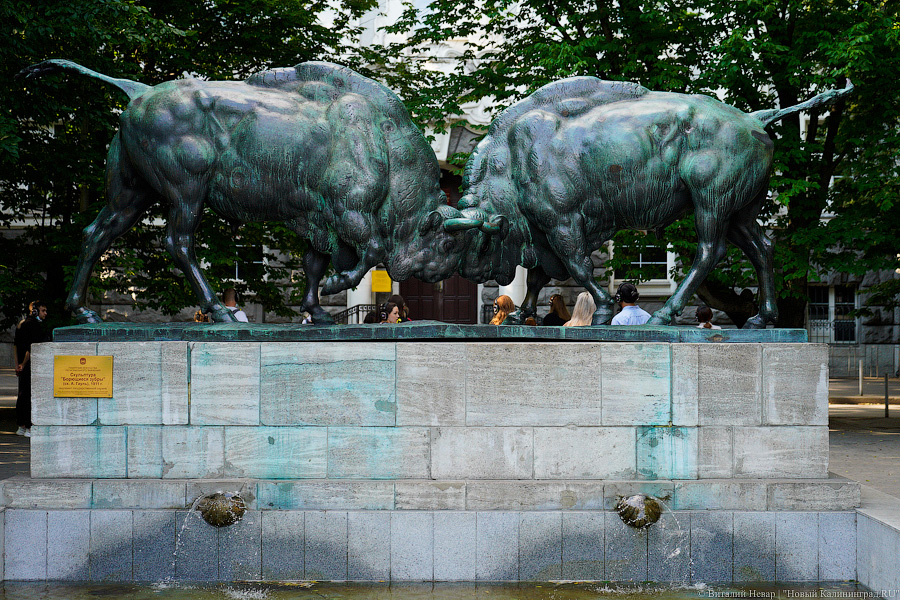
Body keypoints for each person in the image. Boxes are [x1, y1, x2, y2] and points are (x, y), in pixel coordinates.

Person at [13, 301, 51, 437]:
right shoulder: (35, 326)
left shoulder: (21, 324)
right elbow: (32, 349)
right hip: (30, 364)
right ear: (35, 311)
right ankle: (29, 427)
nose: (45, 313)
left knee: (22, 394)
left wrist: (17, 365)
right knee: (30, 396)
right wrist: (23, 364)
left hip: (22, 366)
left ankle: (21, 426)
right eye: (43, 310)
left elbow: (16, 346)